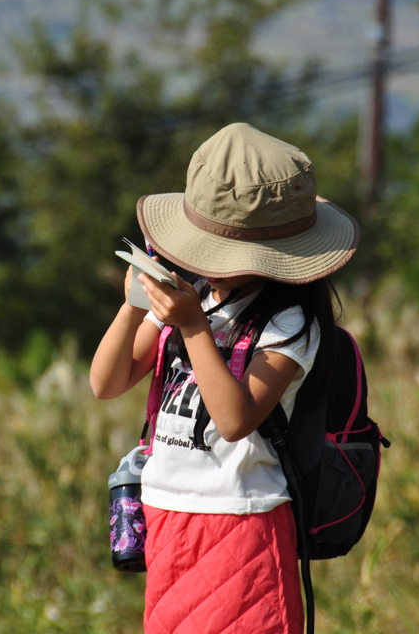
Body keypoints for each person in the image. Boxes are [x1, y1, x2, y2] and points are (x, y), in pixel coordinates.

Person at [89, 123, 360, 634]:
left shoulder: (289, 324)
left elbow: (236, 419)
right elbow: (107, 381)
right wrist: (134, 306)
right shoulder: (196, 294)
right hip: (167, 517)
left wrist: (192, 327)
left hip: (243, 522)